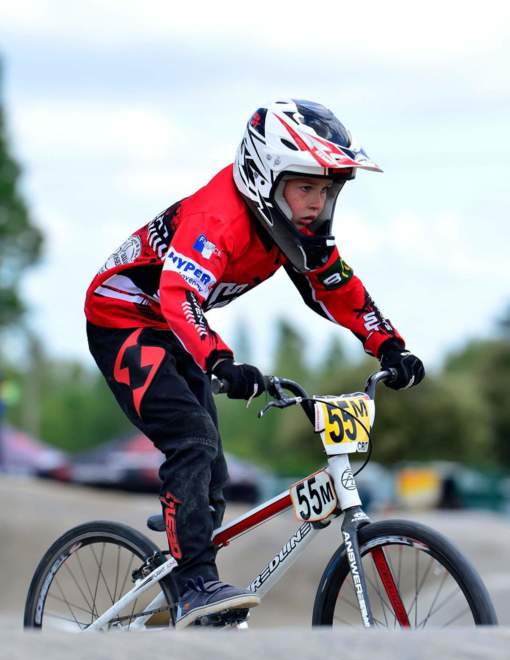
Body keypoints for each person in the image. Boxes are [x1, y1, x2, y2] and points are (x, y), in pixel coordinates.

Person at [84, 98, 425, 628]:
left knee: (213, 476)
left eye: (327, 191)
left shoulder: (291, 226)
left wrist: (389, 345)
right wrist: (221, 361)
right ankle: (194, 583)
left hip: (177, 328)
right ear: (266, 177)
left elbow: (335, 288)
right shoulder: (217, 219)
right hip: (123, 320)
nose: (317, 203)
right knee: (192, 441)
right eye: (305, 187)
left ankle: (177, 572)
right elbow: (178, 295)